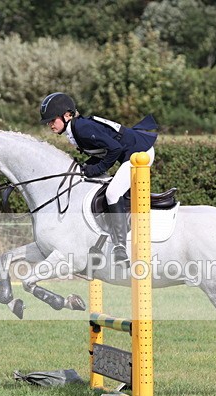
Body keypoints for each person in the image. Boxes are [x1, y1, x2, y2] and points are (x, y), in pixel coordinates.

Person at [39, 92, 157, 266]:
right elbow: (102, 151)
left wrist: (97, 169)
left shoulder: (82, 128)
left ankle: (120, 248)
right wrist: (84, 169)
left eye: (52, 120)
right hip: (127, 153)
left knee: (113, 193)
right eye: (48, 121)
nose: (50, 124)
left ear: (67, 115)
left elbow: (114, 148)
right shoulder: (76, 128)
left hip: (140, 152)